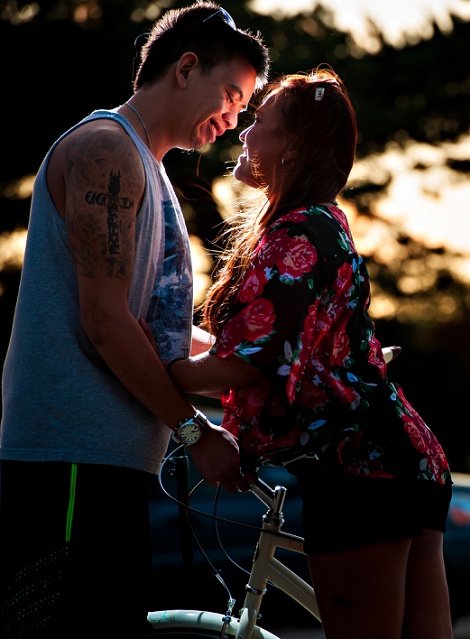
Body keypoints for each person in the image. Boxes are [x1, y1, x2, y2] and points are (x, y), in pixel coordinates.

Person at [0, 3, 269, 637]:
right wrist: (192, 431)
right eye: (231, 96)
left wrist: (263, 373)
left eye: (243, 109)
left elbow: (157, 335)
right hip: (66, 460)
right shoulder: (106, 152)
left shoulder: (149, 171)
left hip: (108, 462)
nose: (233, 121)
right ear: (186, 68)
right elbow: (104, 321)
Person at [159, 66, 455, 639]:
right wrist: (178, 356)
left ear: (293, 146)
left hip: (357, 473)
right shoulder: (325, 222)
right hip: (405, 460)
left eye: (261, 121)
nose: (244, 129)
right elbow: (252, 350)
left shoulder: (293, 236)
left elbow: (242, 365)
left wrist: (152, 369)